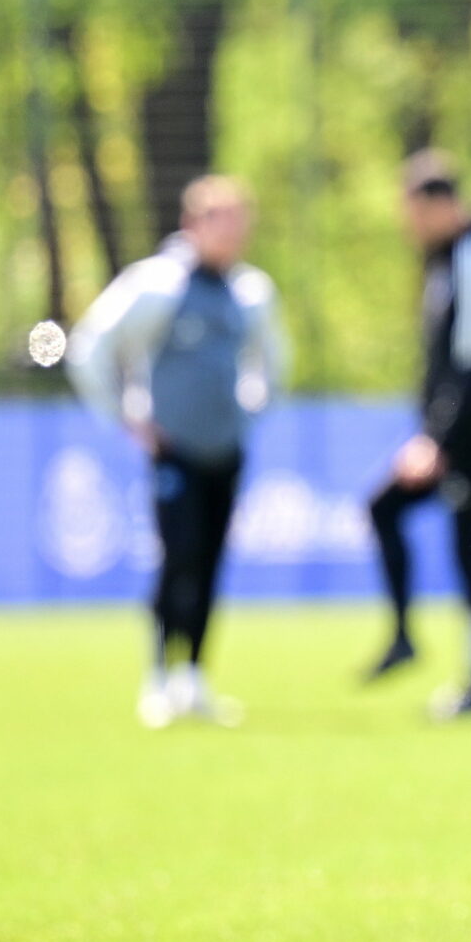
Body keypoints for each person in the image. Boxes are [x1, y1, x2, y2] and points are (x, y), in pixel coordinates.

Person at [66, 175, 286, 728]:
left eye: (241, 222)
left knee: (211, 560)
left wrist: (248, 411)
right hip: (175, 449)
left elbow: (274, 361)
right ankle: (159, 675)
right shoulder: (157, 285)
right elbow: (90, 345)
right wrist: (126, 416)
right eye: (222, 220)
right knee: (178, 554)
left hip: (225, 448)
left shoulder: (249, 292)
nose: (233, 233)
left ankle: (195, 677)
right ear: (194, 223)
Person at [362, 151, 471, 720]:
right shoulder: (448, 259)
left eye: (412, 210)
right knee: (385, 510)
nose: (409, 224)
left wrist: (438, 439)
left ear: (437, 205)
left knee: (469, 549)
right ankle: (406, 634)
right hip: (455, 433)